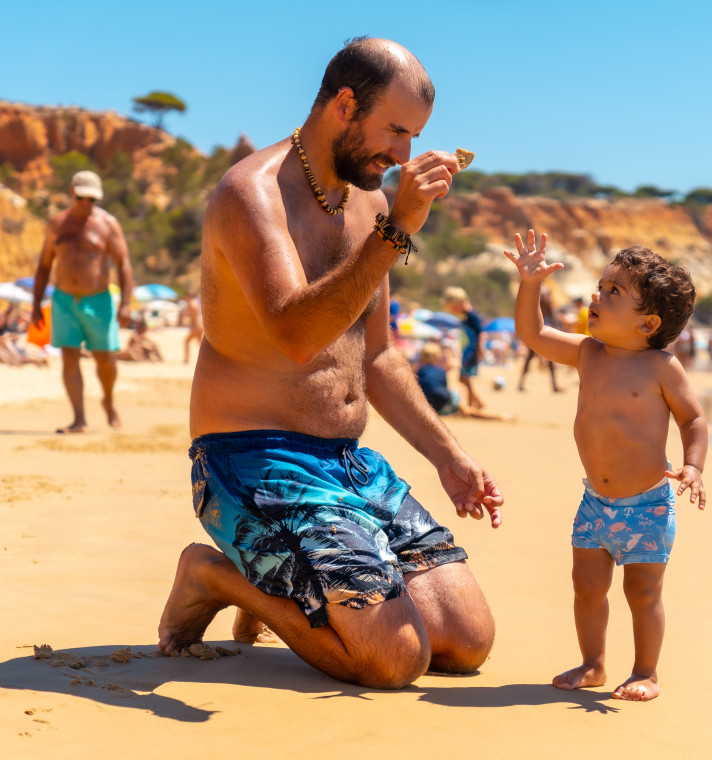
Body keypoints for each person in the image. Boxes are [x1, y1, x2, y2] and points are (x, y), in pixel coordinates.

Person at [157, 38, 502, 691]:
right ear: (345, 104)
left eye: (415, 136)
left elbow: (377, 357)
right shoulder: (251, 195)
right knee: (393, 662)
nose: (403, 155)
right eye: (395, 131)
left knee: (465, 639)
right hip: (250, 460)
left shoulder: (370, 203)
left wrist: (449, 456)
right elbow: (295, 333)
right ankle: (216, 577)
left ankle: (312, 591)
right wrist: (398, 230)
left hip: (347, 466)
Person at [504, 231, 708, 702]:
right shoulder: (586, 353)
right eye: (601, 285)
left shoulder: (661, 367)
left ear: (648, 323)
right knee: (587, 587)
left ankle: (645, 672)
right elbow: (531, 334)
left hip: (647, 506)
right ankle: (593, 664)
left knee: (642, 592)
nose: (596, 296)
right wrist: (530, 283)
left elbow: (693, 418)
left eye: (614, 291)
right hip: (595, 502)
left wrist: (694, 466)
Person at [30, 169, 134, 433]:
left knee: (105, 359)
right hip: (64, 300)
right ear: (71, 193)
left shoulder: (108, 224)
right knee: (69, 357)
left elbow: (124, 265)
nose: (86, 204)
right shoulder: (56, 224)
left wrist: (126, 304)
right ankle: (79, 420)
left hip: (99, 300)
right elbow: (44, 266)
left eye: (92, 200)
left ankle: (108, 401)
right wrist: (35, 306)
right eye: (81, 197)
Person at [415, 342, 513, 421]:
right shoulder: (440, 370)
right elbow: (442, 390)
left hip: (428, 406)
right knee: (463, 391)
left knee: (455, 395)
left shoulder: (418, 371)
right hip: (442, 403)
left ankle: (466, 408)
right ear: (438, 357)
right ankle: (499, 416)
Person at [441, 286, 488, 407]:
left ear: (460, 302)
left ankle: (474, 403)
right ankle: (475, 403)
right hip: (468, 352)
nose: (453, 310)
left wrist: (480, 348)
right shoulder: (466, 315)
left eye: (453, 307)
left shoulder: (471, 315)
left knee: (464, 378)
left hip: (472, 353)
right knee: (465, 379)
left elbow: (481, 332)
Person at [517, 289, 561, 392]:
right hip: (542, 326)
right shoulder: (545, 291)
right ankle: (554, 385)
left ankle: (521, 384)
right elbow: (550, 312)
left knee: (531, 357)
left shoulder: (535, 289)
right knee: (548, 357)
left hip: (536, 326)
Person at [181, 294, 204, 363]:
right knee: (200, 344)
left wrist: (185, 315)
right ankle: (203, 359)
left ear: (188, 297)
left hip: (195, 326)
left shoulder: (191, 305)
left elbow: (193, 317)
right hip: (199, 326)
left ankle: (186, 359)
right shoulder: (195, 303)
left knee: (186, 341)